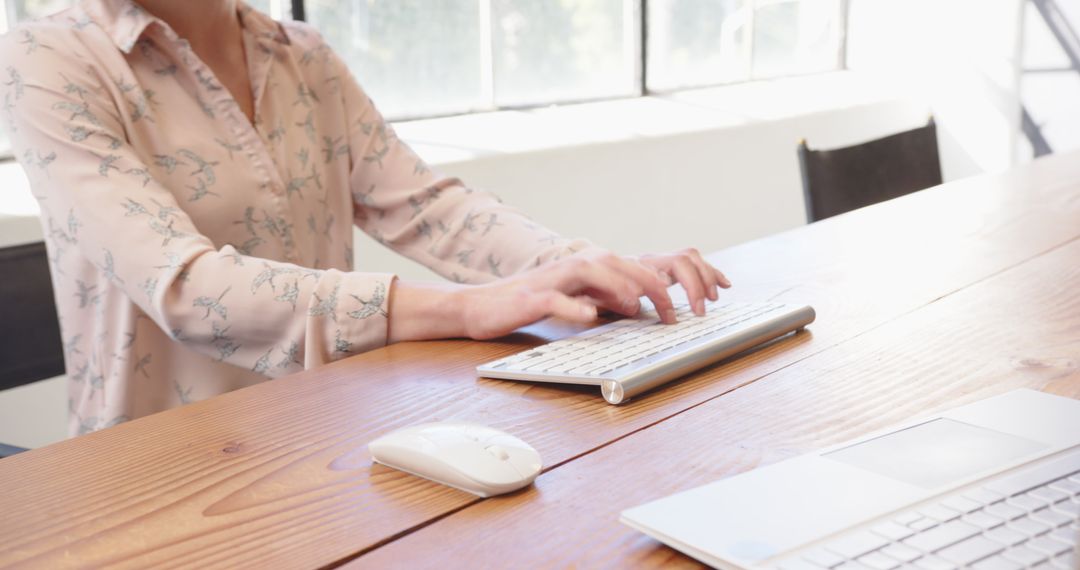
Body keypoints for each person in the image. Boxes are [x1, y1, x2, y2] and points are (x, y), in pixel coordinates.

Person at [0, 0, 730, 437]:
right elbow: (190, 289)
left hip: (327, 436)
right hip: (154, 471)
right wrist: (469, 309)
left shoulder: (300, 54)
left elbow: (427, 207)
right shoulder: (46, 58)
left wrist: (590, 267)